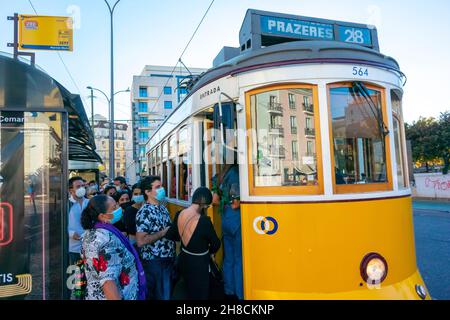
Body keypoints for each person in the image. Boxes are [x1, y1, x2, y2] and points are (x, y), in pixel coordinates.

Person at [81, 195, 146, 300]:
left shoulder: (91, 232)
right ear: (102, 216)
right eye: (114, 208)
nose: (119, 209)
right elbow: (108, 282)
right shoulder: (107, 240)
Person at [166, 187, 221, 300]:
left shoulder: (179, 213)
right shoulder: (204, 221)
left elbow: (172, 235)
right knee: (200, 293)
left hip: (184, 259)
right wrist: (210, 252)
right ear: (204, 204)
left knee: (188, 291)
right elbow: (216, 243)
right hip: (199, 264)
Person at [136, 176, 175, 300]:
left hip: (167, 259)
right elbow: (141, 241)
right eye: (157, 187)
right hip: (155, 261)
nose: (162, 189)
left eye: (161, 186)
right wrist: (163, 233)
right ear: (147, 192)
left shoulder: (162, 208)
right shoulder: (145, 212)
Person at [212, 164, 243, 300]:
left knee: (229, 259)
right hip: (236, 221)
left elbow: (214, 200)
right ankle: (240, 294)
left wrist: (226, 205)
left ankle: (229, 290)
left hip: (225, 219)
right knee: (238, 259)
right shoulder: (236, 172)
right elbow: (236, 204)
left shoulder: (221, 175)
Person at [68, 177, 89, 266]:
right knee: (76, 275)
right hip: (74, 247)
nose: (81, 188)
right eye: (78, 186)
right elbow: (59, 225)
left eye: (83, 186)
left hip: (90, 247)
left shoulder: (90, 203)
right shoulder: (67, 205)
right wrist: (71, 233)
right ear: (71, 190)